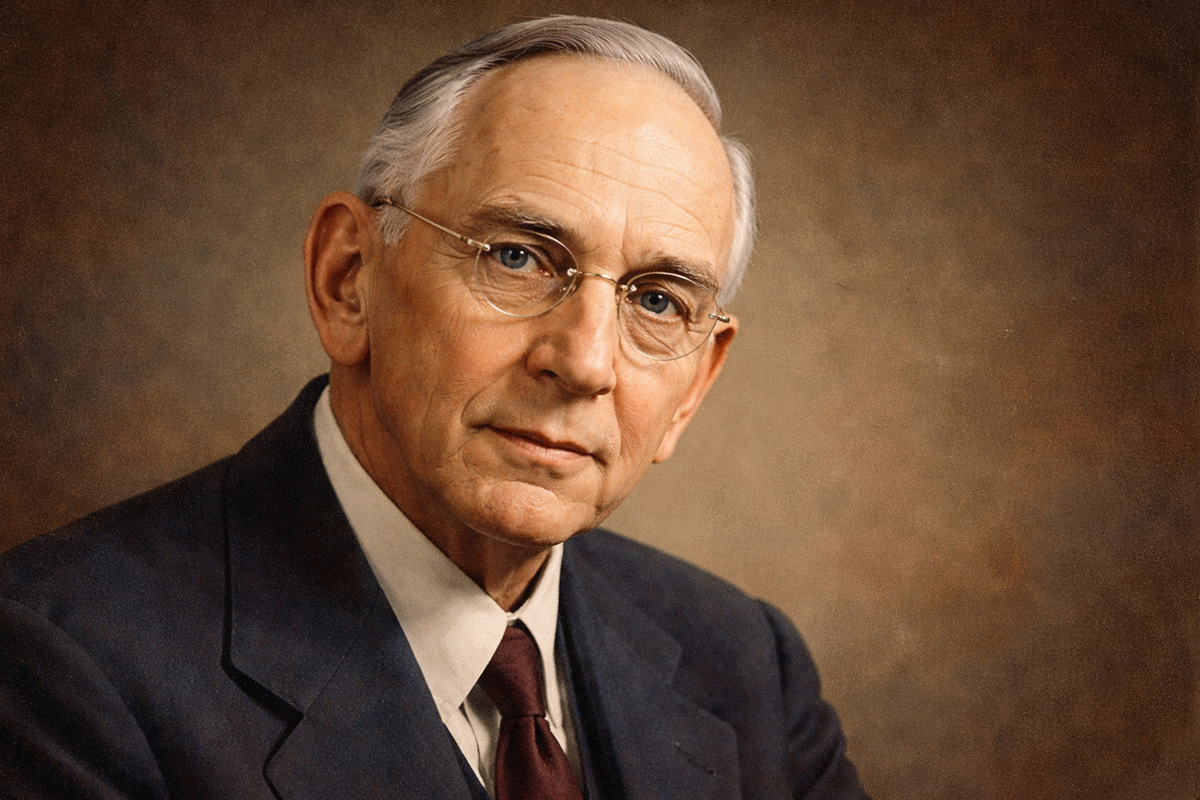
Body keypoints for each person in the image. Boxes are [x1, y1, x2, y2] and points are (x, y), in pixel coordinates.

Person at [0, 16, 868, 800]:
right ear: (348, 280)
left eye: (656, 301)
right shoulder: (59, 665)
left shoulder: (747, 665)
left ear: (694, 389)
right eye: (519, 257)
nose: (584, 362)